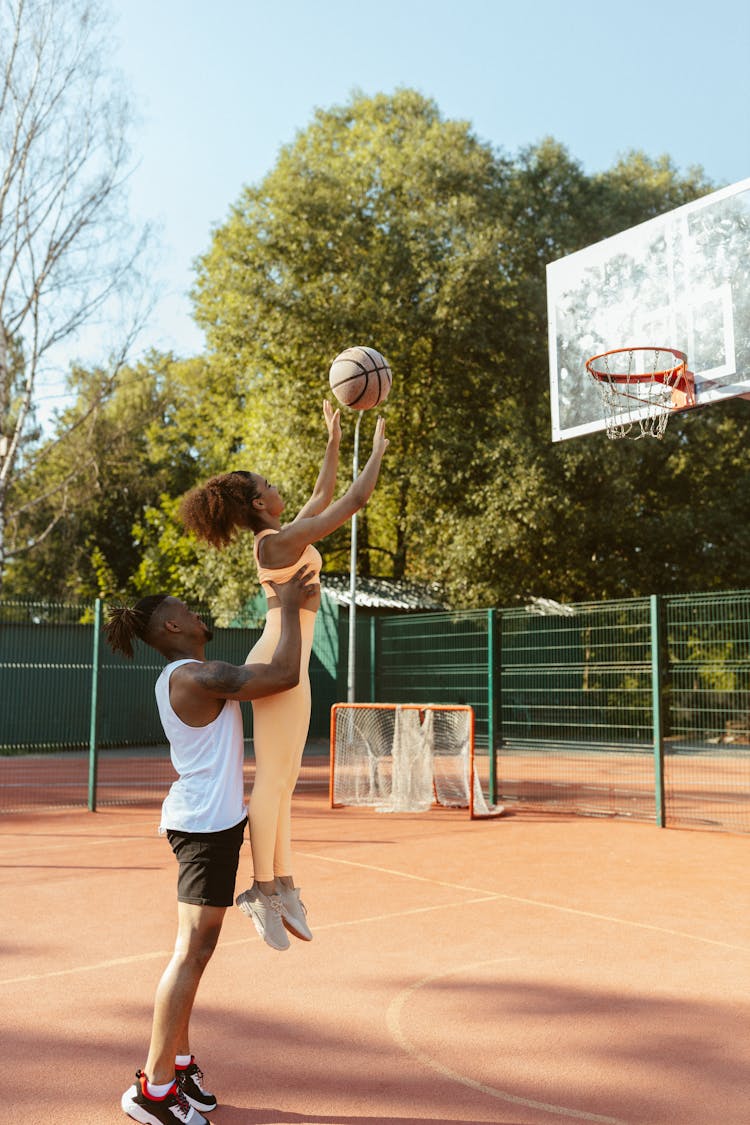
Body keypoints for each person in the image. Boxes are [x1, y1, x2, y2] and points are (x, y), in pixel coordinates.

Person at [105, 566, 317, 1125]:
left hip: (210, 824)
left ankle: (178, 1065)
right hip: (202, 828)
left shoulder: (190, 673)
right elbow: (286, 674)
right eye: (189, 609)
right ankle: (152, 1091)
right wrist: (289, 605)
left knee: (196, 952)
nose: (200, 615)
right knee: (191, 952)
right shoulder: (195, 677)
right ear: (174, 624)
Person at [179, 403, 388, 951]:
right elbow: (353, 501)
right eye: (269, 485)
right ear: (256, 503)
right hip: (277, 654)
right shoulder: (273, 544)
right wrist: (379, 449)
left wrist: (334, 437)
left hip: (289, 655)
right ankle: (260, 888)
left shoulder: (283, 535)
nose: (279, 489)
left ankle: (285, 884)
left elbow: (323, 497)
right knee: (272, 779)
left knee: (287, 781)